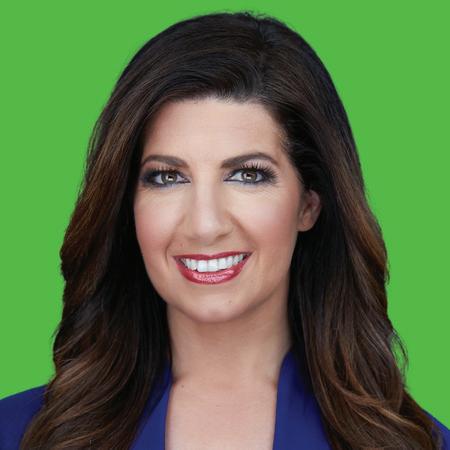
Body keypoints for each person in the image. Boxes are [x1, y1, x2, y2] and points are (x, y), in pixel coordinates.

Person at [0, 10, 449, 450]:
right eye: (167, 177)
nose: (205, 225)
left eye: (248, 175)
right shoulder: (19, 434)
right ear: (127, 204)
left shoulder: (415, 444)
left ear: (308, 204)